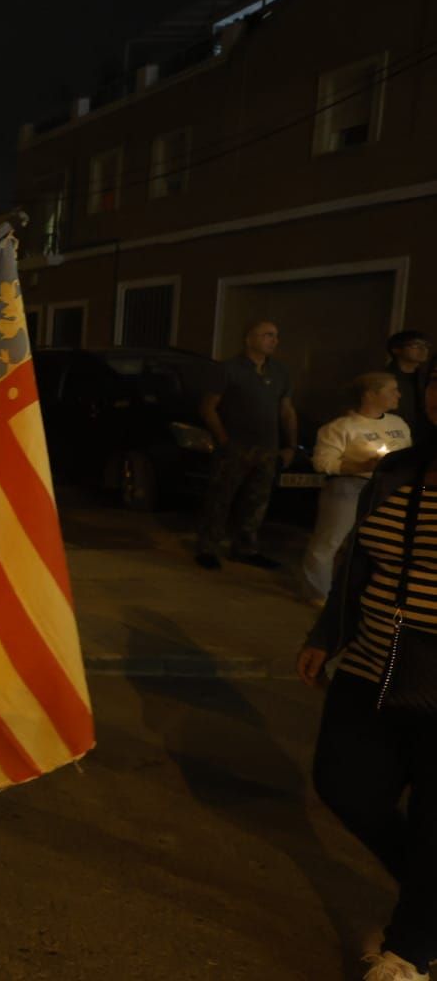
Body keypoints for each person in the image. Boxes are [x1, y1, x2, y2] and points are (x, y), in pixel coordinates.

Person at [298, 375, 437, 981]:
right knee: (344, 783)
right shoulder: (400, 468)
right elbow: (359, 555)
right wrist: (329, 632)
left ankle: (411, 949)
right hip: (372, 659)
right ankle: (431, 901)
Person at [300, 373, 412, 607]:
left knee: (376, 543)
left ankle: (361, 591)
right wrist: (362, 465)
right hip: (349, 487)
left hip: (388, 488)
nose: (398, 395)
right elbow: (323, 462)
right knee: (329, 541)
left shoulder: (398, 424)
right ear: (370, 394)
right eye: (392, 390)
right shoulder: (341, 427)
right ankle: (319, 593)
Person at [194, 319, 298, 570]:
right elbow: (209, 407)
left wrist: (290, 445)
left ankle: (246, 547)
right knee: (221, 498)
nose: (274, 340)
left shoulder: (280, 372)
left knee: (257, 500)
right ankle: (208, 547)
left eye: (275, 336)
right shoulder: (228, 369)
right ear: (249, 338)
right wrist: (224, 439)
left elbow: (286, 410)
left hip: (267, 447)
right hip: (236, 446)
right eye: (267, 335)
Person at [386, 330, 433, 450]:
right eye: (416, 345)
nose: (423, 350)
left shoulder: (428, 378)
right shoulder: (384, 378)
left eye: (426, 346)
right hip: (393, 436)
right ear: (396, 349)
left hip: (426, 437)